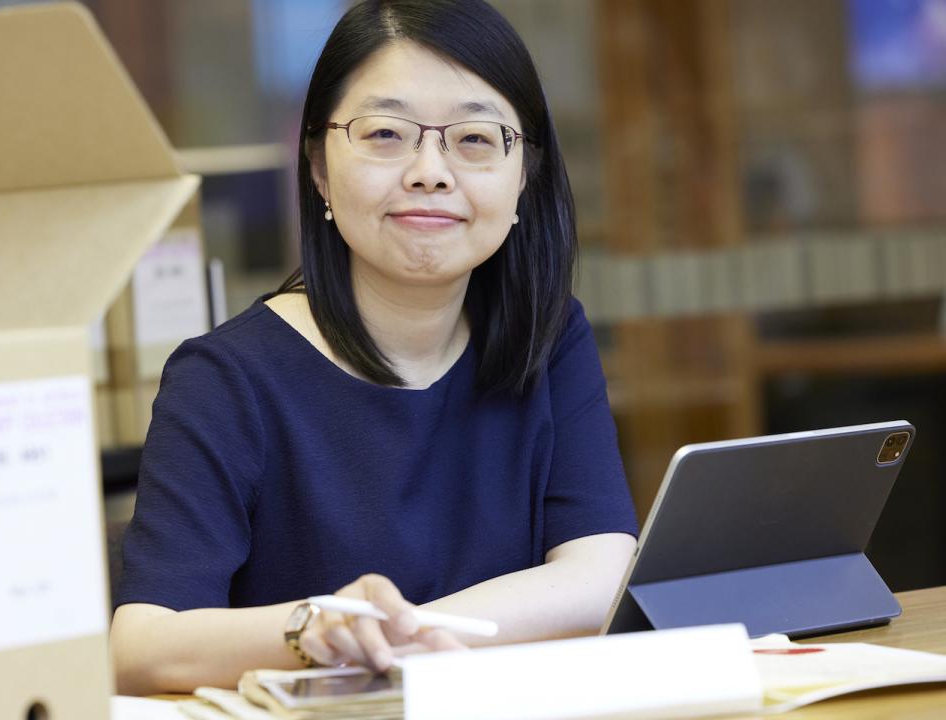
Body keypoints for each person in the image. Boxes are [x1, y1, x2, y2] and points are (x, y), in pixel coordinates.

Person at [111, 0, 638, 695]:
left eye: (475, 139)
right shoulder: (226, 379)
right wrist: (313, 629)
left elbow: (601, 576)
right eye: (386, 134)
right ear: (320, 169)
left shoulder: (549, 338)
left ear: (524, 179)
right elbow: (141, 644)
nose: (430, 171)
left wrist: (398, 635)